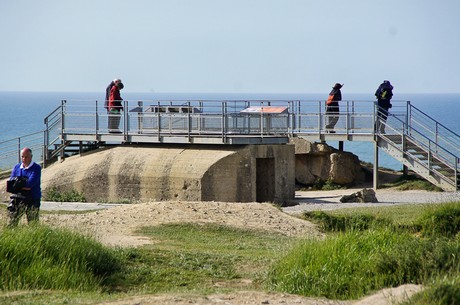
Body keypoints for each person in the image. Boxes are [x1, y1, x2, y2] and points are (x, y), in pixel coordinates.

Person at [7, 147, 42, 227]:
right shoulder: (17, 167)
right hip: (18, 198)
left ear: (31, 157)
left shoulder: (36, 168)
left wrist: (18, 184)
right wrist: (22, 184)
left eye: (26, 157)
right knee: (13, 220)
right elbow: (11, 183)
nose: (24, 159)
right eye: (22, 156)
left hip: (33, 197)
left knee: (33, 221)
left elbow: (30, 183)